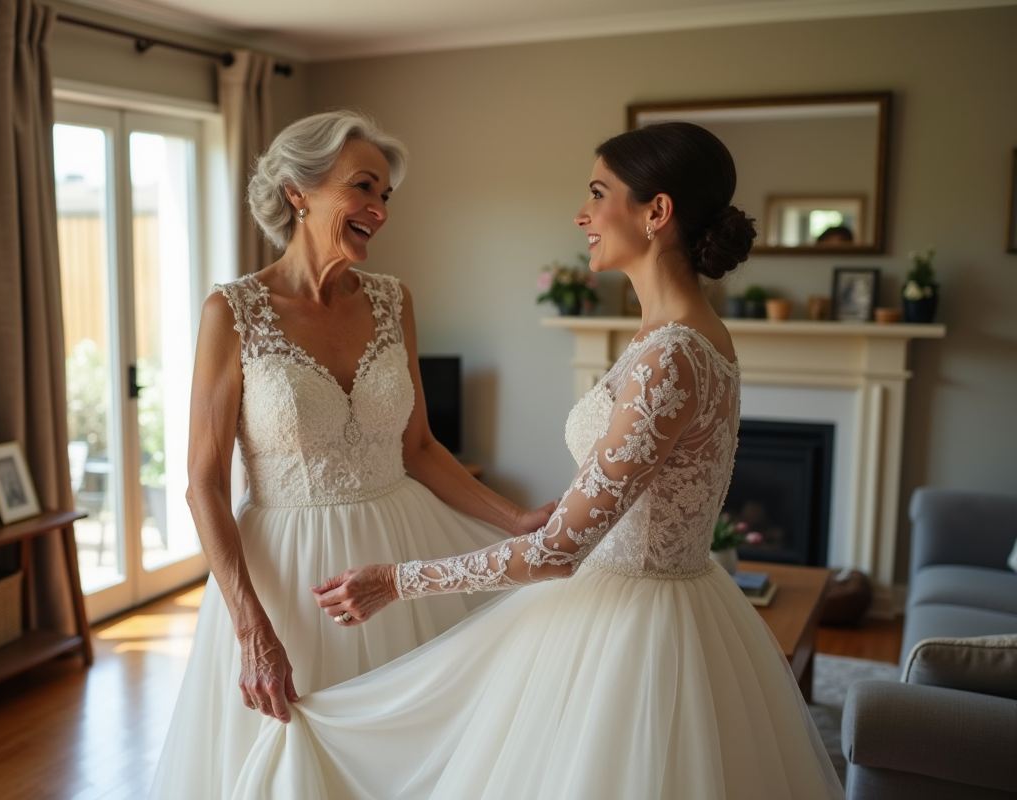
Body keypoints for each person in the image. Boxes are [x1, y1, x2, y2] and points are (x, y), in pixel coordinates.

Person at [227, 122, 845, 800]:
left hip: (635, 629)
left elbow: (558, 553)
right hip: (662, 600)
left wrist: (395, 581)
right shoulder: (689, 335)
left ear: (656, 212)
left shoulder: (671, 354)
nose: (582, 214)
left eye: (598, 193)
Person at [149, 110, 553, 799]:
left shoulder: (394, 301)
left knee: (417, 755)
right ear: (297, 192)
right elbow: (202, 483)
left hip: (399, 548)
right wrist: (251, 627)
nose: (380, 210)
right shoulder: (232, 313)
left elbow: (418, 447)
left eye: (386, 195)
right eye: (363, 187)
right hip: (289, 575)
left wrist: (514, 521)